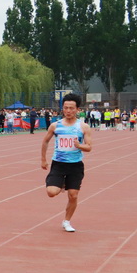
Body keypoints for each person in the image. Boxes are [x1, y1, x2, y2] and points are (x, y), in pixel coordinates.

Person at [41, 93, 93, 233]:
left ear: (77, 109)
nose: (68, 111)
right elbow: (45, 141)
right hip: (58, 164)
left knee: (73, 195)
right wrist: (43, 159)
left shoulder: (83, 127)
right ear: (62, 109)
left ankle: (67, 221)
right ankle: (62, 183)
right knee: (51, 192)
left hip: (75, 165)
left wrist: (79, 146)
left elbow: (89, 147)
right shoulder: (55, 126)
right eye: (65, 108)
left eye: (71, 108)